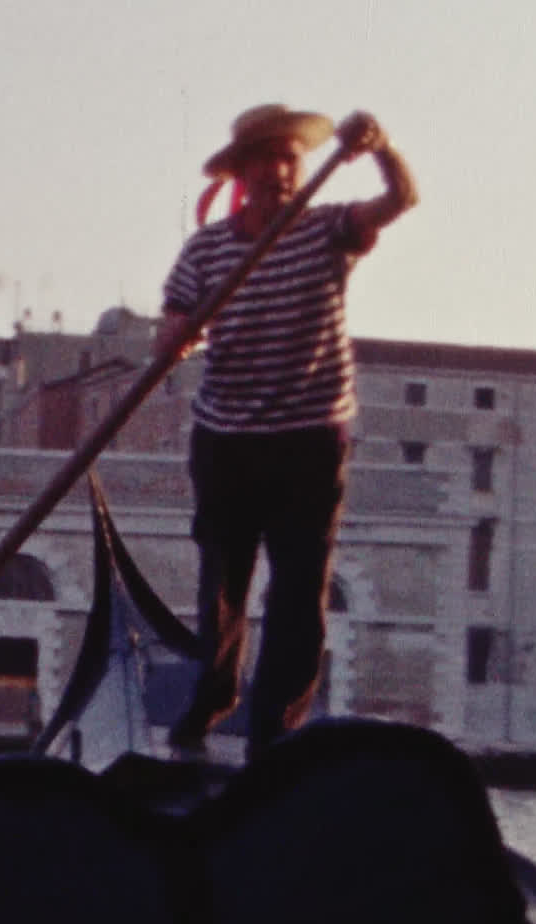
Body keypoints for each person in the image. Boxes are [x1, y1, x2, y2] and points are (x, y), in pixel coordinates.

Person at [157, 102, 417, 757]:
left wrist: (381, 147)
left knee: (300, 589)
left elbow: (402, 197)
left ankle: (277, 733)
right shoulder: (206, 250)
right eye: (267, 160)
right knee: (222, 579)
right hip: (226, 438)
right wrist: (177, 337)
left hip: (309, 437)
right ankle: (215, 695)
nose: (280, 170)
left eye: (290, 159)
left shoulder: (327, 228)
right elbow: (171, 330)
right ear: (243, 173)